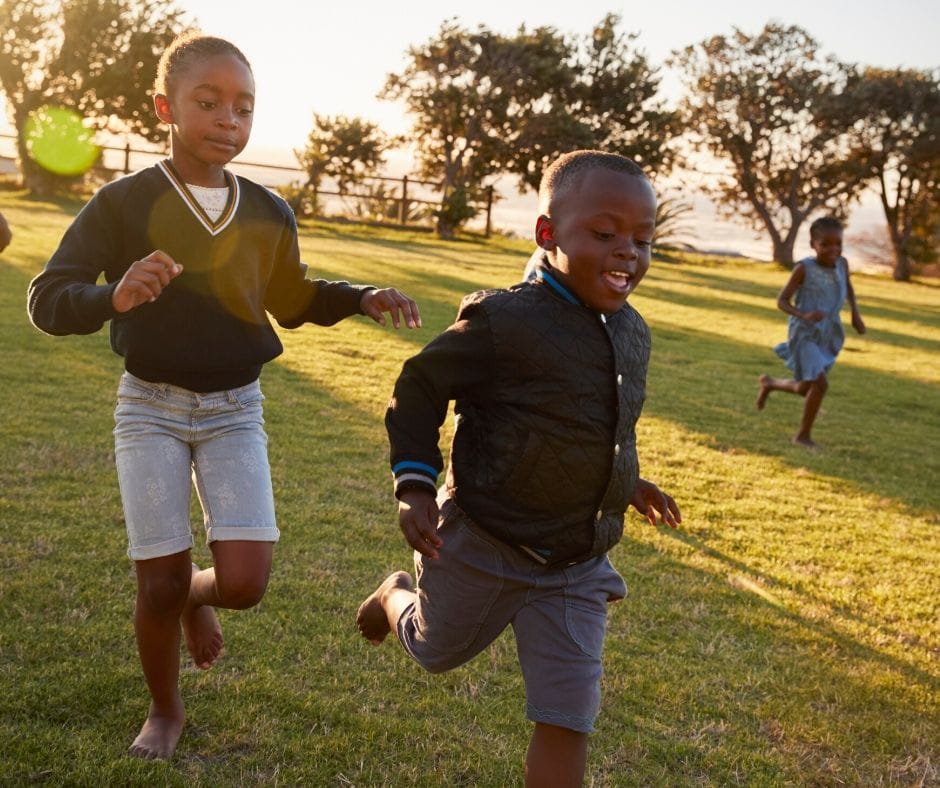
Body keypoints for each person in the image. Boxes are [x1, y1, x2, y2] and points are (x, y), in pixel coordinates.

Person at [27, 32, 421, 761]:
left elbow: (294, 297)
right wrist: (114, 295)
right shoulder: (122, 202)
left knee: (243, 582)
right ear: (165, 108)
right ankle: (166, 709)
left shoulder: (270, 210)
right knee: (158, 582)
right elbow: (47, 299)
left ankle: (195, 605)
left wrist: (360, 296)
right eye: (207, 103)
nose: (227, 120)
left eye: (243, 107)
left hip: (236, 410)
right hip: (149, 407)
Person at [357, 150, 681, 786]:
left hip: (577, 563)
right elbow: (420, 386)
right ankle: (393, 597)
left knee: (568, 716)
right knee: (434, 650)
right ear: (547, 234)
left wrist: (625, 480)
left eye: (643, 240)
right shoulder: (503, 321)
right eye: (606, 233)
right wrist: (415, 485)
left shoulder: (632, 331)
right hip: (485, 539)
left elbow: (603, 422)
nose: (628, 253)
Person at [756, 216, 865, 447]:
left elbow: (849, 289)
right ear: (813, 244)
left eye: (838, 243)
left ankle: (769, 384)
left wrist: (855, 314)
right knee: (820, 384)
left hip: (830, 333)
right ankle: (803, 436)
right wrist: (803, 315)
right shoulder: (804, 268)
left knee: (806, 387)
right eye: (825, 244)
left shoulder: (842, 264)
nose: (833, 249)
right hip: (804, 333)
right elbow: (782, 301)